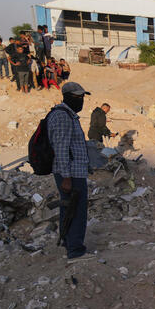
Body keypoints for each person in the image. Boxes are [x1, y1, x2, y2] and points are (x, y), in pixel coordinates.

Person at [48, 82, 92, 261]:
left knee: (69, 208)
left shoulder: (69, 115)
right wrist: (66, 177)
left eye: (82, 97)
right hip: (70, 174)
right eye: (77, 97)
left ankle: (68, 242)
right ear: (67, 96)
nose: (81, 100)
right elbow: (60, 148)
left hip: (75, 172)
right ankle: (75, 250)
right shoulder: (62, 116)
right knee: (77, 211)